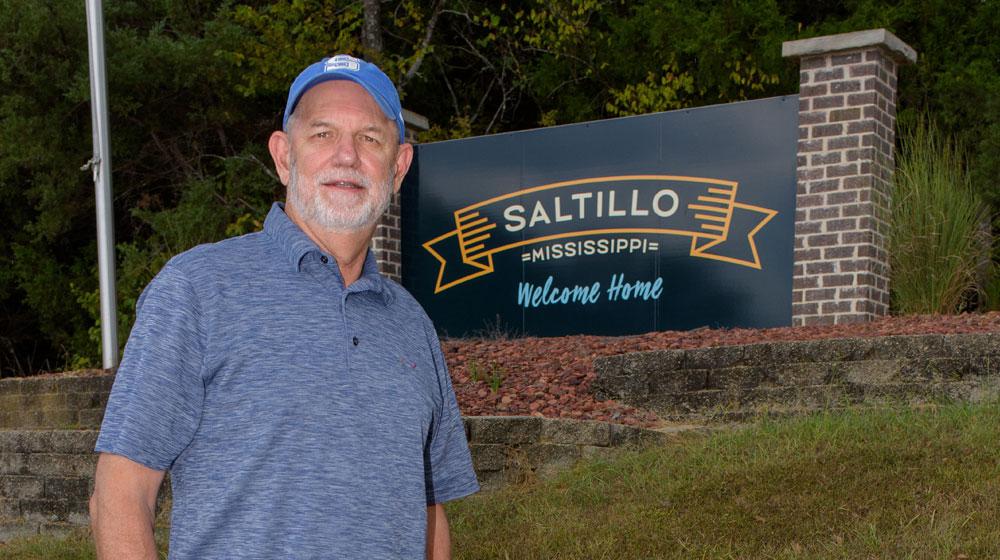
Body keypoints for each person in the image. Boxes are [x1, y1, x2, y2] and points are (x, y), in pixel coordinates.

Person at [89, 54, 479, 560]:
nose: (347, 156)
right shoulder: (198, 289)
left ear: (399, 166)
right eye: (321, 134)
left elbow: (427, 511)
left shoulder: (412, 325)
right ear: (283, 156)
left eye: (370, 138)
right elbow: (120, 494)